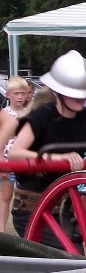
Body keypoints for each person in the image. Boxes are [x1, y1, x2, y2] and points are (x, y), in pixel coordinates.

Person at [9, 50, 86, 245]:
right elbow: (15, 154)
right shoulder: (41, 117)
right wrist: (58, 158)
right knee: (70, 259)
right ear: (57, 92)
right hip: (32, 210)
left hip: (66, 210)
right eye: (73, 92)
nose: (80, 98)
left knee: (85, 258)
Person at [0, 77, 31, 232]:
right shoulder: (4, 114)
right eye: (16, 93)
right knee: (6, 196)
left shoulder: (30, 113)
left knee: (25, 198)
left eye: (22, 93)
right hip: (7, 161)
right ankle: (2, 230)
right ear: (8, 95)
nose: (19, 97)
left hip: (24, 163)